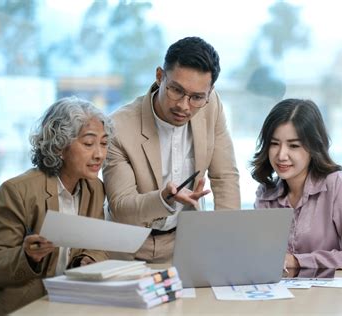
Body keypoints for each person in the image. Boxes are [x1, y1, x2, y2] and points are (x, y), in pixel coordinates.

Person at [103, 36, 241, 263]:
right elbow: (121, 206)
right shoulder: (119, 126)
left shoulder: (211, 105)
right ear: (160, 77)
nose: (184, 106)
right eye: (176, 90)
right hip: (126, 247)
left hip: (185, 243)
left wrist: (225, 241)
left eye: (197, 97)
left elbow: (225, 176)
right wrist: (164, 199)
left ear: (210, 91)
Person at [0, 97, 114, 315]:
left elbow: (95, 245)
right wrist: (28, 256)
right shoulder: (17, 191)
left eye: (104, 143)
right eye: (88, 143)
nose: (99, 154)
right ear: (59, 146)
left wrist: (87, 260)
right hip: (17, 308)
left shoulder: (95, 188)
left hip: (65, 304)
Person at [251, 99, 342, 269]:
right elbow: (259, 255)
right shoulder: (266, 194)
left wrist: (298, 262)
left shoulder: (337, 186)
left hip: (330, 295)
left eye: (293, 145)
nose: (281, 155)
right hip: (279, 293)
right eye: (274, 144)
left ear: (313, 147)